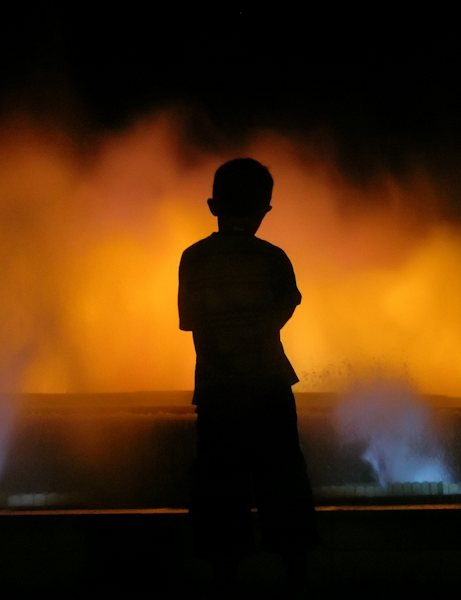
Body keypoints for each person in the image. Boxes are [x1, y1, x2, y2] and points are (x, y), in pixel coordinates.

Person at [178, 158, 318, 591]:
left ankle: (225, 579)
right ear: (265, 210)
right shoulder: (273, 259)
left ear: (212, 205)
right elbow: (286, 306)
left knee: (220, 490)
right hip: (270, 389)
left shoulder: (194, 259)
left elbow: (190, 321)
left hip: (218, 394)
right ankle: (296, 575)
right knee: (283, 484)